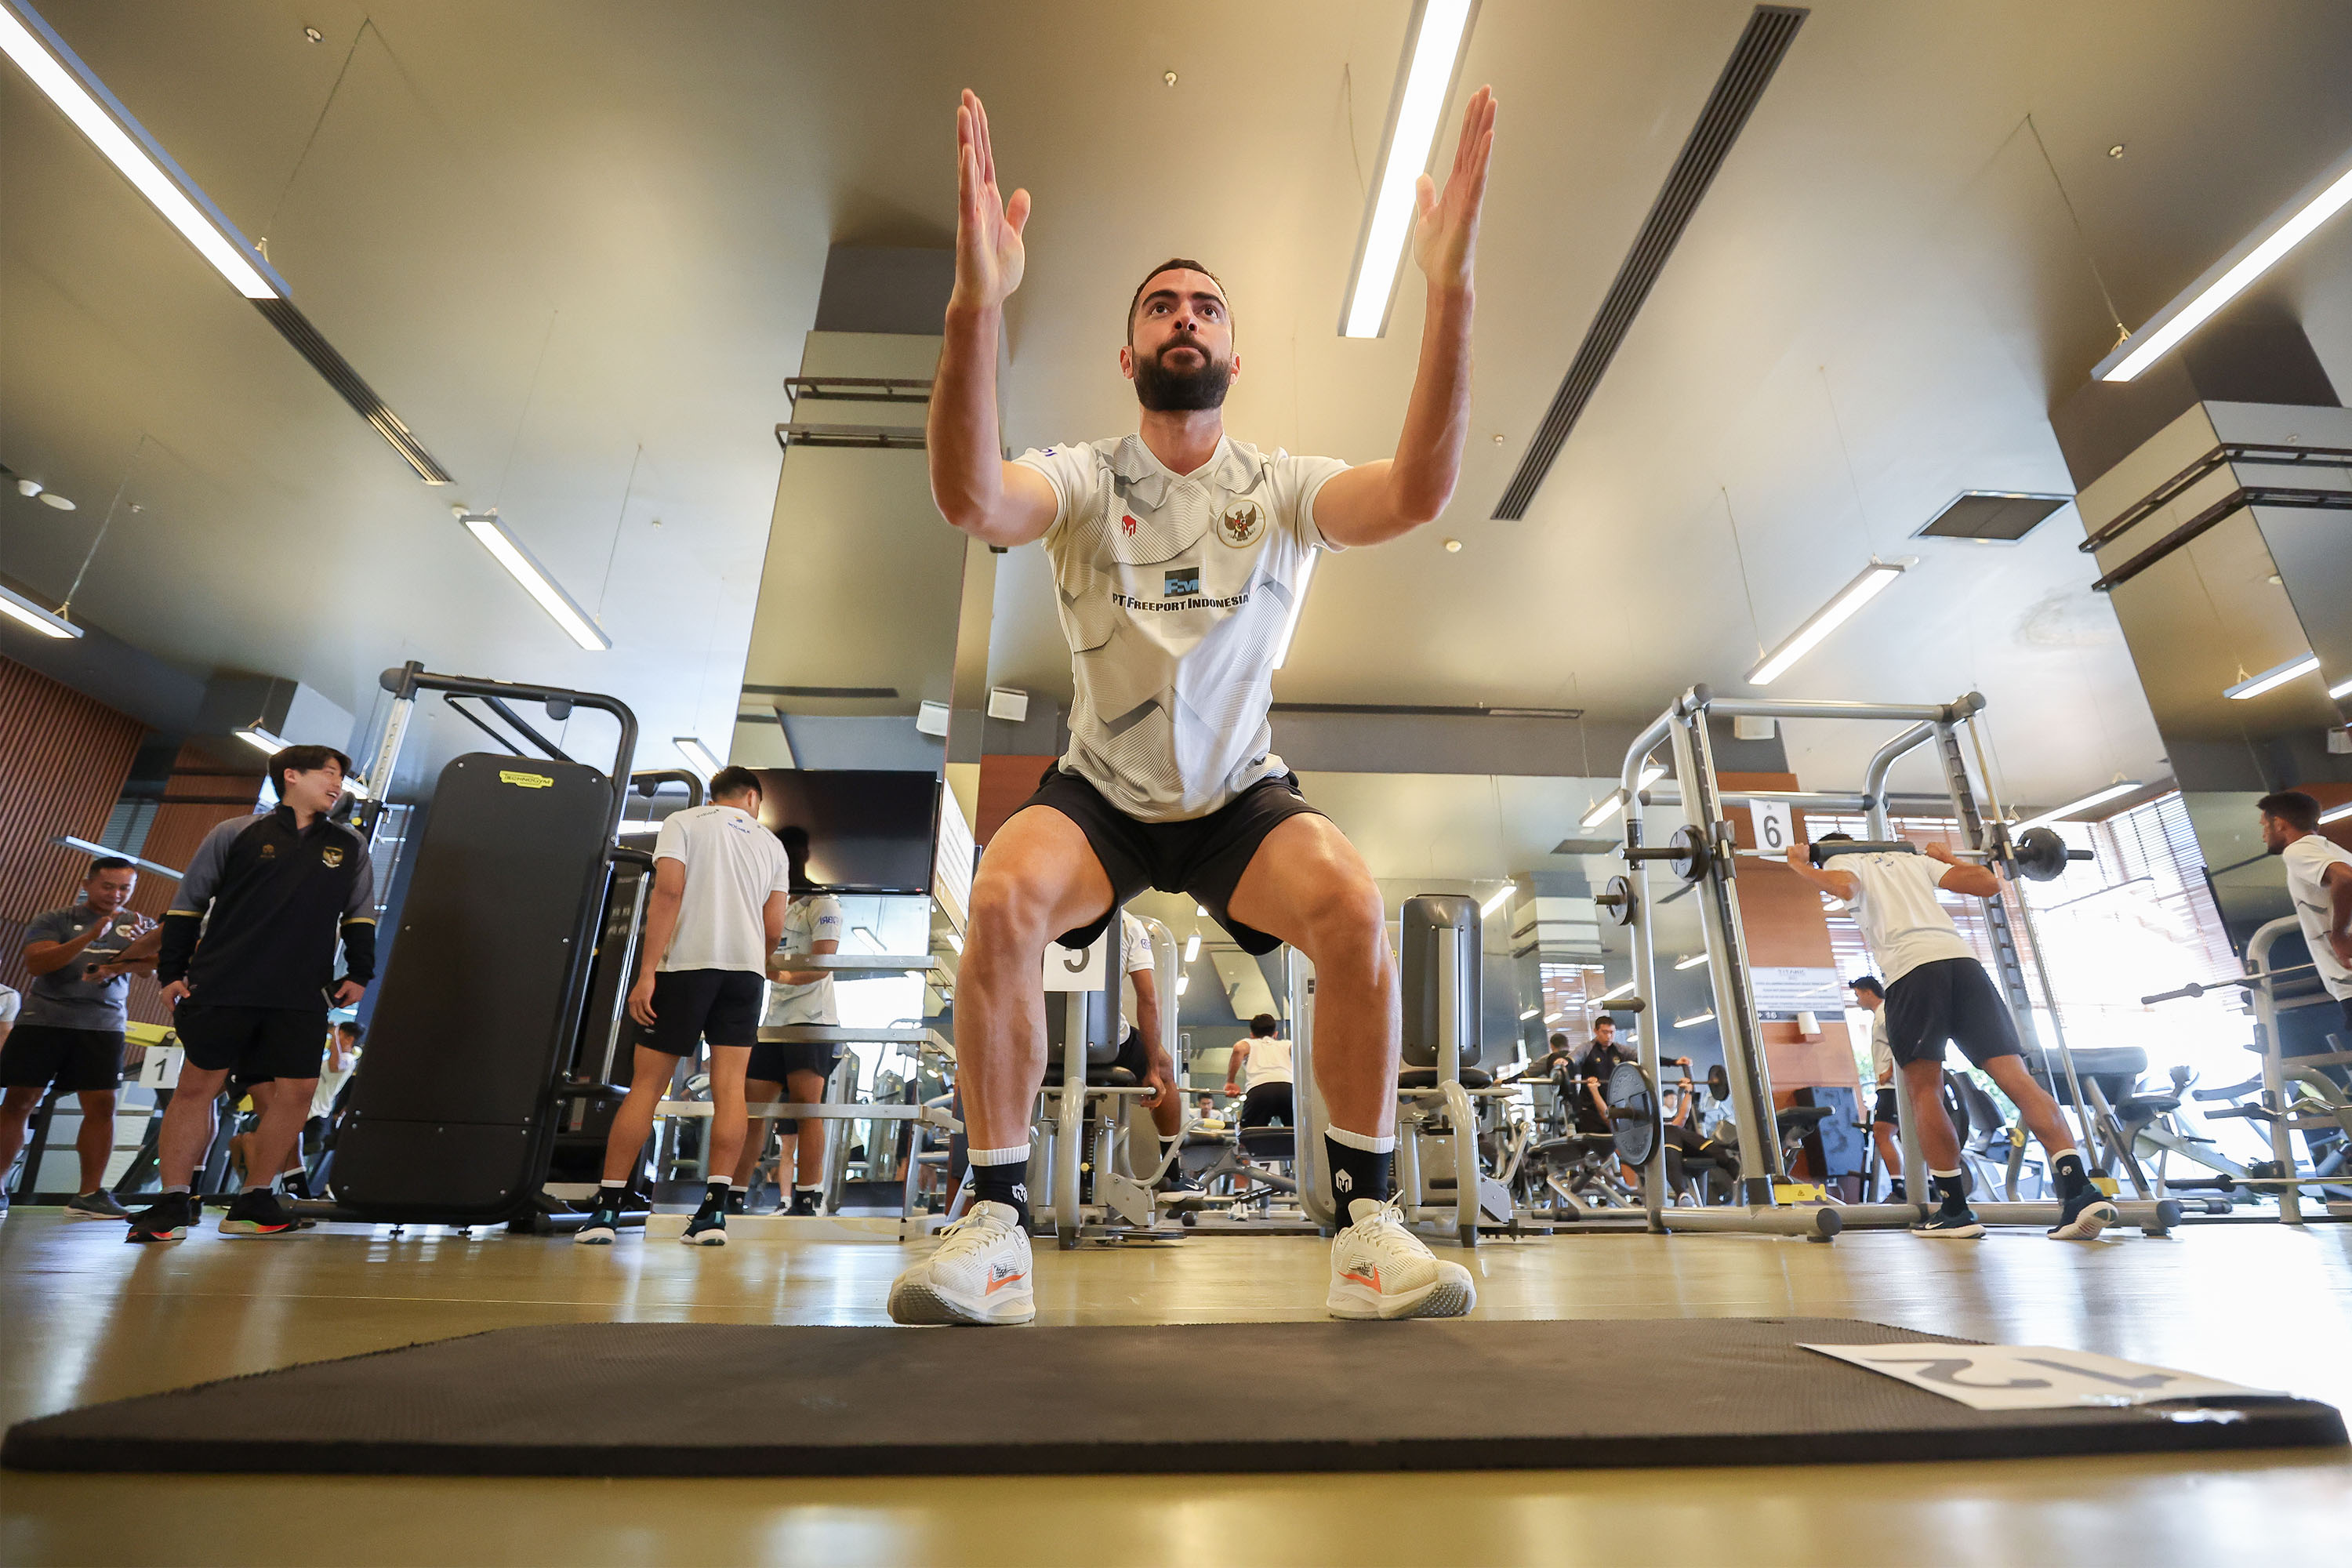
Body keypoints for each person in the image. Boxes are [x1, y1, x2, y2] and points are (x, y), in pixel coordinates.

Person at [1784, 833, 2116, 1240]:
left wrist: (1800, 866)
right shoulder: (1913, 862)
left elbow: (1844, 887)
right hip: (1965, 967)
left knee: (1925, 1091)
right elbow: (1989, 884)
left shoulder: (1846, 863)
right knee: (2016, 1078)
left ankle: (1955, 1210)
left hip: (1913, 973)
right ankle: (2078, 1191)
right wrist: (1947, 858)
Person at [125, 748, 376, 1243]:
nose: (337, 783)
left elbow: (360, 916)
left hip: (301, 991)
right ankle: (173, 1199)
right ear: (291, 776)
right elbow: (187, 906)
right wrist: (171, 970)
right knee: (199, 1086)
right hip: (224, 982)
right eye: (327, 773)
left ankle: (254, 1198)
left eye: (341, 776)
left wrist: (361, 971)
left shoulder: (349, 845)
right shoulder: (234, 833)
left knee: (298, 1092)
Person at [578, 765, 789, 1247]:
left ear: (715, 795)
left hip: (686, 969)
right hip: (745, 974)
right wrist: (751, 955)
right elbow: (773, 927)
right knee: (731, 1090)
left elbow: (668, 892)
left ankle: (607, 1211)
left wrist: (647, 972)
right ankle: (714, 1215)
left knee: (647, 1087)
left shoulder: (684, 821)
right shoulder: (771, 845)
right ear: (752, 798)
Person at [0, 858, 156, 1221]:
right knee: (21, 1100)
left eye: (124, 888)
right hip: (45, 1021)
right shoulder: (53, 919)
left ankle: (89, 1194)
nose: (116, 895)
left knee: (102, 1106)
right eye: (108, 886)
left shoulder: (136, 924)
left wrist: (123, 962)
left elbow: (149, 968)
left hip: (103, 1026)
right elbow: (37, 965)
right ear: (87, 884)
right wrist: (90, 937)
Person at [735, 844, 843, 1218]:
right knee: (751, 1111)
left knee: (806, 1110)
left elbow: (823, 963)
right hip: (773, 1021)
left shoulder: (822, 903)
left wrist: (779, 974)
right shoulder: (773, 904)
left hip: (811, 1020)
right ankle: (731, 1193)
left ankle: (809, 1197)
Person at [1102, 910, 1198, 1198]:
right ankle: (1171, 1175)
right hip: (1105, 1043)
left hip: (1044, 1040)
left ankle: (995, 1167)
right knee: (1167, 1067)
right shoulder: (1128, 924)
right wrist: (1154, 1070)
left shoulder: (1045, 904)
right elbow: (1147, 998)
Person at [2259, 790, 2352, 1062]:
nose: (2263, 833)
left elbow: (2345, 880)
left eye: (2265, 825)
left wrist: (2338, 935)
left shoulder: (2297, 849)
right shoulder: (2334, 849)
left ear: (2280, 823)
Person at [1852, 975, 1905, 1202]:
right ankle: (1922, 1184)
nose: (1857, 1001)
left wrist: (1891, 1071)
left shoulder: (1885, 1013)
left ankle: (1899, 1187)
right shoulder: (1880, 1015)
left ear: (1868, 993)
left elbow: (1901, 1041)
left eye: (1857, 995)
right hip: (1890, 1087)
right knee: (1902, 1136)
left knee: (1883, 1132)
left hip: (1892, 1086)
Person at [1222, 1013, 1294, 1133]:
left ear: (1252, 1035)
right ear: (1275, 1034)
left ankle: (1257, 1150)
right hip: (1288, 1090)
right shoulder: (1287, 1044)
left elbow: (1238, 1049)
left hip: (1260, 1091)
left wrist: (1230, 1082)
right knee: (1296, 1133)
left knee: (1250, 1134)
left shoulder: (1250, 1043)